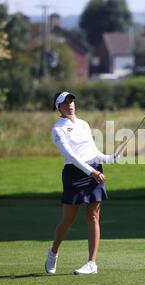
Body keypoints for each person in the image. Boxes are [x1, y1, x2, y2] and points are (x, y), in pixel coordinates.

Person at [45, 91, 119, 275]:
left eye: (72, 101)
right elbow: (70, 155)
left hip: (94, 171)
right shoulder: (58, 129)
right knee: (68, 220)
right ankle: (53, 252)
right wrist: (92, 172)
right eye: (66, 102)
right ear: (58, 107)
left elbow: (93, 152)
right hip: (75, 174)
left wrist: (110, 158)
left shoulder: (84, 125)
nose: (70, 104)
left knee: (93, 216)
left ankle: (92, 263)